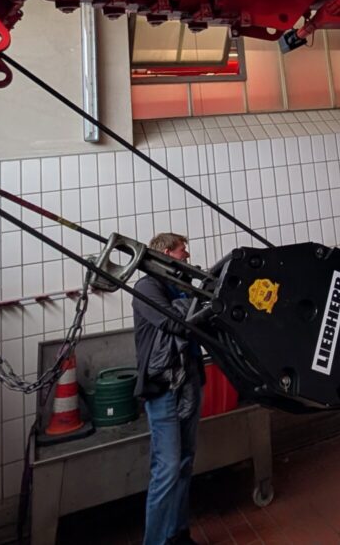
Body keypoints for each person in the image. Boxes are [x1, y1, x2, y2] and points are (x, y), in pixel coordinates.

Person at [133, 233, 204, 545]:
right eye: (181, 250)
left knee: (185, 461)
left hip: (189, 380)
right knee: (168, 467)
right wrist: (195, 302)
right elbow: (174, 322)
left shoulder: (180, 286)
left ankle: (177, 534)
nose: (186, 256)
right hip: (163, 387)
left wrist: (192, 300)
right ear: (164, 253)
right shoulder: (146, 287)